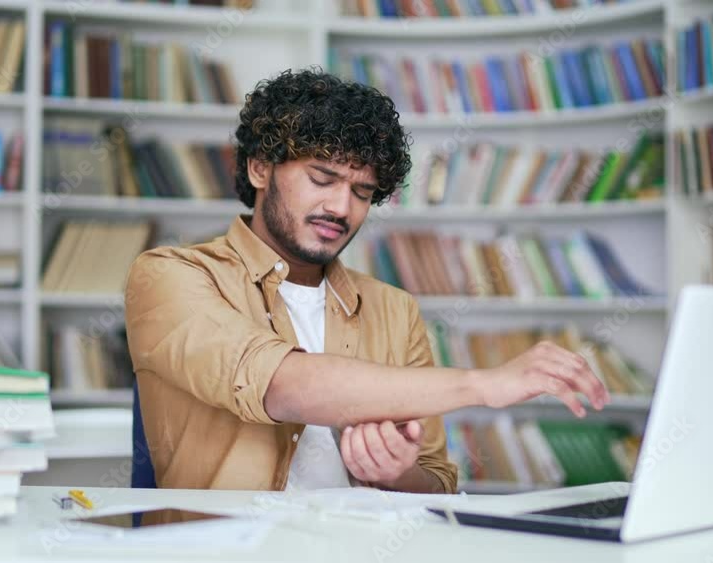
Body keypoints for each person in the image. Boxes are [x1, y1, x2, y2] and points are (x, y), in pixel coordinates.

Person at [124, 68, 609, 495]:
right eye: (322, 178)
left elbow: (436, 483)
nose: (341, 208)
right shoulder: (169, 275)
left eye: (361, 191)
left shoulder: (396, 310)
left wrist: (395, 474)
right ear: (259, 168)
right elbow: (282, 385)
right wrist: (485, 384)